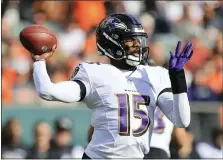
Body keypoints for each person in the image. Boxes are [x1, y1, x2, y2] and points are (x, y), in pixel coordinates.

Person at [30, 13, 193, 158]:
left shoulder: (155, 75)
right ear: (112, 43)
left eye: (140, 40)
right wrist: (39, 61)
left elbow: (181, 120)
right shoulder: (95, 72)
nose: (138, 46)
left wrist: (178, 76)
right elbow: (47, 91)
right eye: (131, 41)